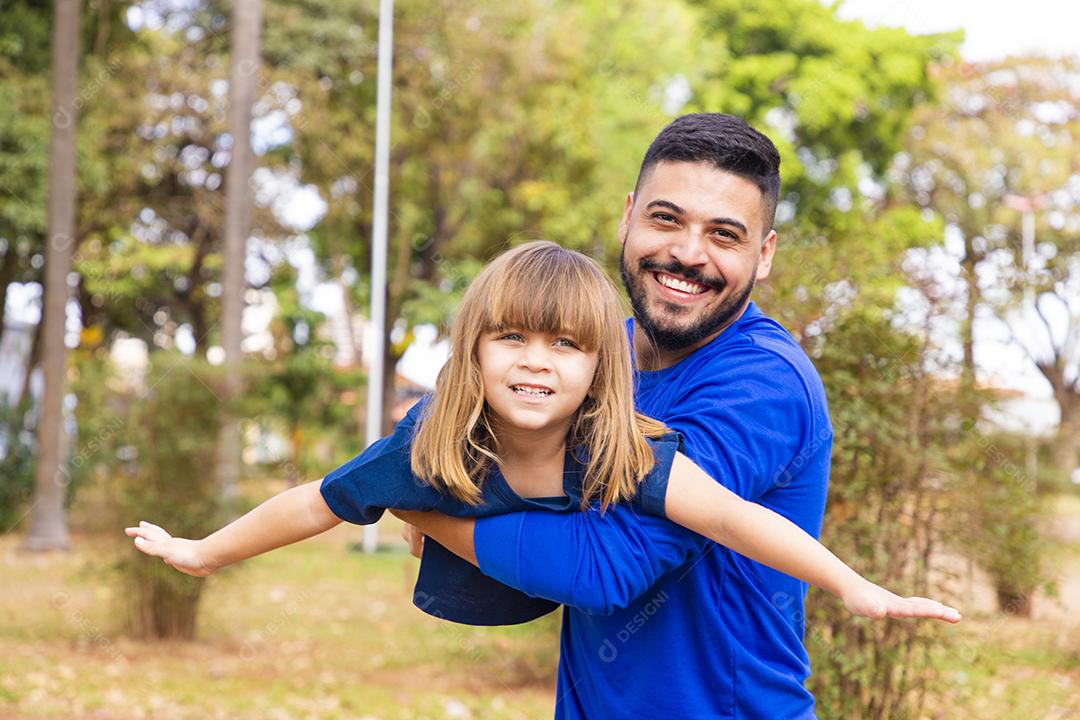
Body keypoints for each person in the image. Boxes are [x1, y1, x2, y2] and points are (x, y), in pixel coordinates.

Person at [125, 242, 958, 640]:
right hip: (474, 580)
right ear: (474, 351)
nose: (535, 362)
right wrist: (205, 552)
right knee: (405, 503)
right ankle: (430, 529)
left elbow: (734, 517)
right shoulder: (428, 444)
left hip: (549, 567)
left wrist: (852, 585)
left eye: (565, 345)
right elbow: (317, 502)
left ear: (599, 367)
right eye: (512, 339)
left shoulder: (618, 447)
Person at [393, 114, 913, 719]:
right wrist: (439, 480)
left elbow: (602, 568)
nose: (688, 254)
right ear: (628, 217)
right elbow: (442, 437)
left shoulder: (763, 383)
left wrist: (420, 508)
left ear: (764, 254)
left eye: (724, 235)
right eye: (666, 219)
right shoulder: (588, 357)